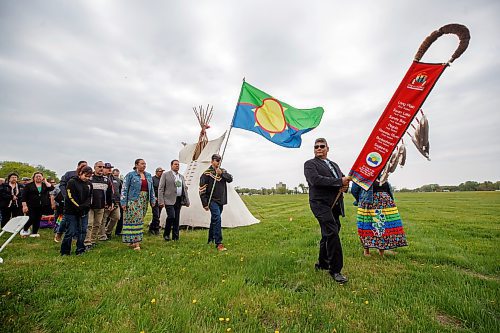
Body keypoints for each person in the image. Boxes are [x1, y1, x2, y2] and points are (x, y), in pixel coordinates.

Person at [304, 138, 350, 284]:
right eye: (316, 146)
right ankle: (335, 270)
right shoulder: (310, 164)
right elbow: (315, 180)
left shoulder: (334, 165)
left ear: (327, 148)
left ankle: (322, 263)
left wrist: (344, 186)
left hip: (335, 203)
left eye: (321, 146)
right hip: (319, 203)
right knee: (332, 232)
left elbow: (343, 179)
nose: (318, 148)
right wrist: (339, 182)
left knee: (330, 232)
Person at [351, 178, 408, 256]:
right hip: (369, 204)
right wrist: (361, 199)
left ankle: (382, 250)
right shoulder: (363, 176)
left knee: (383, 226)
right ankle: (366, 251)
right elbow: (354, 190)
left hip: (385, 205)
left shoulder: (382, 176)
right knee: (367, 226)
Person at [120, 159, 156, 250]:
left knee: (140, 220)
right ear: (136, 165)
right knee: (135, 220)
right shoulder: (130, 175)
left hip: (144, 201)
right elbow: (124, 189)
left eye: (145, 164)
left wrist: (152, 200)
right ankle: (136, 243)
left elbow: (151, 189)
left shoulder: (148, 175)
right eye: (142, 164)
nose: (144, 165)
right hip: (133, 200)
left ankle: (133, 241)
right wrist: (123, 202)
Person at [199, 154, 233, 251]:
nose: (218, 162)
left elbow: (230, 179)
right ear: (212, 161)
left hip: (221, 200)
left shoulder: (223, 171)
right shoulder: (206, 173)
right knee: (217, 218)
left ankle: (210, 239)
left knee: (214, 220)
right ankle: (219, 243)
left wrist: (221, 173)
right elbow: (202, 190)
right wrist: (205, 203)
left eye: (219, 160)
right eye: (216, 160)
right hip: (212, 201)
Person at [60, 166, 93, 256]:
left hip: (84, 211)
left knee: (83, 231)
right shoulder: (72, 182)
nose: (87, 178)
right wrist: (79, 207)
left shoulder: (89, 184)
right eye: (85, 176)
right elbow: (70, 197)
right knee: (71, 231)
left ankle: (80, 249)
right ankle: (65, 251)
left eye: (89, 177)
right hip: (71, 211)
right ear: (80, 173)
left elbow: (90, 196)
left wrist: (86, 206)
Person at [54, 161, 88, 242]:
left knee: (78, 217)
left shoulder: (86, 176)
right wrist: (66, 195)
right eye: (82, 166)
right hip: (68, 200)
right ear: (78, 166)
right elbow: (62, 184)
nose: (84, 167)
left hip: (80, 201)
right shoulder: (69, 174)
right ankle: (60, 231)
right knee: (66, 218)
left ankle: (76, 235)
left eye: (86, 166)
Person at [84, 161, 113, 249]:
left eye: (103, 167)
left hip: (101, 206)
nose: (101, 168)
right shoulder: (89, 179)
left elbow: (109, 193)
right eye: (99, 166)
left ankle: (92, 241)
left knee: (97, 224)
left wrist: (109, 203)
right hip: (90, 206)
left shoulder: (106, 180)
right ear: (95, 167)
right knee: (89, 224)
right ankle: (87, 242)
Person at [158, 160, 190, 241]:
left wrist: (187, 200)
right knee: (171, 216)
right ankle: (166, 234)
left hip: (178, 199)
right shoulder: (165, 175)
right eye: (175, 164)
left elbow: (184, 189)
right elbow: (161, 188)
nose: (177, 166)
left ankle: (176, 236)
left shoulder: (181, 176)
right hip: (169, 199)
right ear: (171, 165)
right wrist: (161, 201)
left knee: (176, 218)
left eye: (178, 165)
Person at [20, 172, 54, 237]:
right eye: (37, 176)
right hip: (31, 205)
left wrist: (45, 181)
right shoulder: (29, 185)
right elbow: (24, 197)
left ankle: (34, 233)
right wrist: (24, 206)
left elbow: (51, 188)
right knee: (32, 218)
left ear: (42, 177)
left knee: (38, 219)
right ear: (34, 178)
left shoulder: (44, 185)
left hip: (41, 205)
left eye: (40, 176)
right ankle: (25, 229)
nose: (38, 178)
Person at [103, 164, 122, 239]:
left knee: (116, 217)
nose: (109, 169)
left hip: (116, 202)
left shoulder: (117, 179)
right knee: (103, 220)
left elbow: (120, 190)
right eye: (107, 168)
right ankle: (102, 235)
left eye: (110, 168)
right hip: (105, 202)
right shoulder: (102, 179)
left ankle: (108, 231)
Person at [149, 167, 164, 235]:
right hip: (154, 199)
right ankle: (156, 229)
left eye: (162, 171)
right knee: (156, 215)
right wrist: (153, 197)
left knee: (158, 215)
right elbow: (150, 189)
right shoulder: (152, 179)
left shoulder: (162, 179)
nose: (161, 173)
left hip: (161, 199)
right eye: (160, 171)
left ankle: (152, 228)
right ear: (157, 172)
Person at [110, 168, 124, 236]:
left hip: (119, 201)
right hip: (110, 201)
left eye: (117, 175)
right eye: (115, 175)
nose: (116, 177)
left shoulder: (120, 181)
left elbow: (122, 190)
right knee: (107, 218)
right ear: (112, 174)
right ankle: (106, 231)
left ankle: (118, 232)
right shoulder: (109, 180)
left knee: (120, 217)